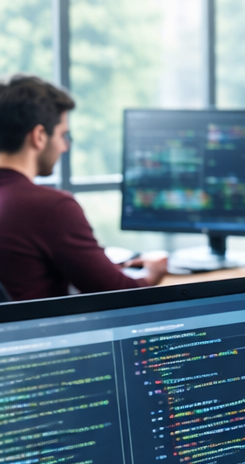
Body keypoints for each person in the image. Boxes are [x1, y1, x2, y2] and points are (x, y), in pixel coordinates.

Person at [0, 74, 167, 300]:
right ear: (39, 136)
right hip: (45, 325)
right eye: (63, 135)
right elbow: (118, 293)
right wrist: (153, 274)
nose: (65, 146)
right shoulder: (50, 207)